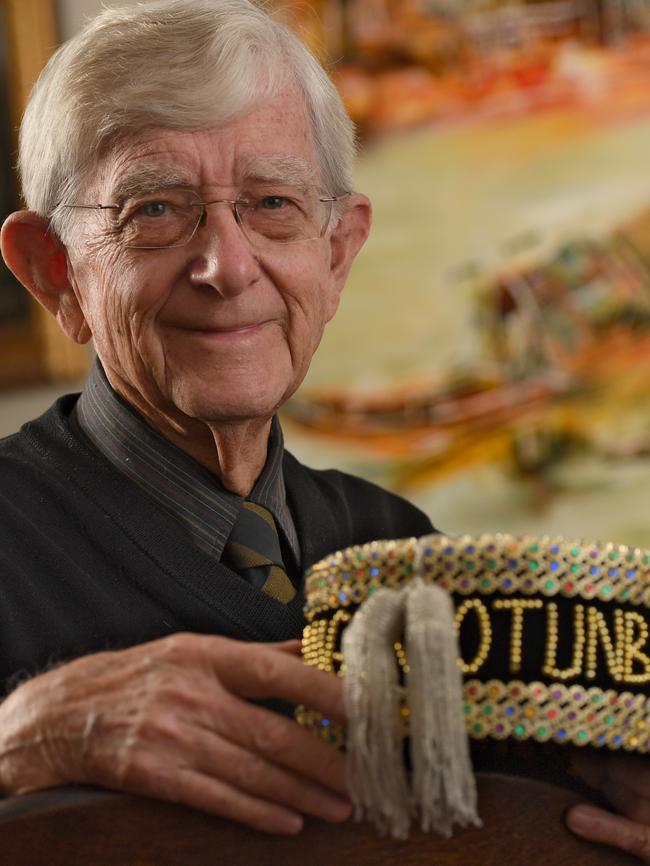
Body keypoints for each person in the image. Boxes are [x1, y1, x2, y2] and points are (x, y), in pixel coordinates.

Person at [0, 0, 648, 859]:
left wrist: (599, 793)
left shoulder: (405, 550)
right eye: (153, 210)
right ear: (56, 275)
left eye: (272, 202)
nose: (226, 267)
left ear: (337, 254)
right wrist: (21, 742)